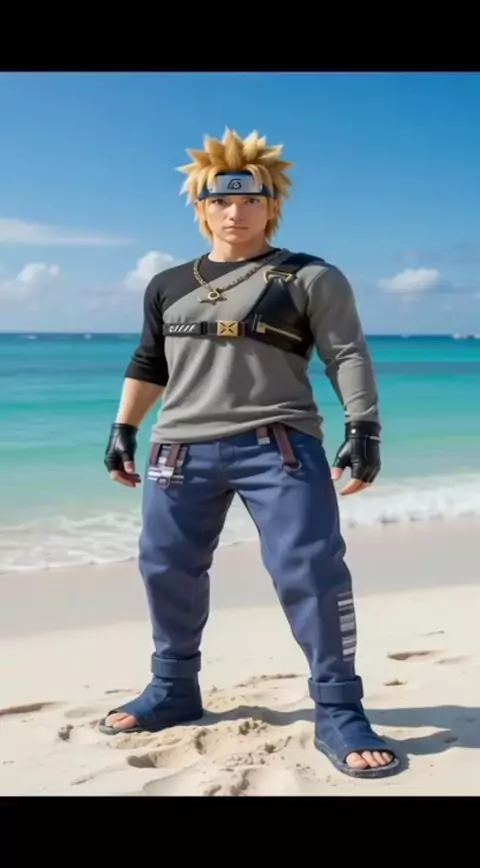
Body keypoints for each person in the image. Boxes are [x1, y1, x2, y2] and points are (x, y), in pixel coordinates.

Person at [100, 128, 399, 779]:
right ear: (201, 207)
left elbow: (346, 353)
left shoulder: (311, 276)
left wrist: (364, 427)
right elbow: (150, 361)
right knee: (165, 568)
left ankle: (339, 710)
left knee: (312, 572)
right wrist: (124, 428)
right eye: (220, 200)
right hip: (178, 452)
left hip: (279, 447)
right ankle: (173, 689)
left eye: (250, 199)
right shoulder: (167, 283)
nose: (234, 211)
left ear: (272, 205)